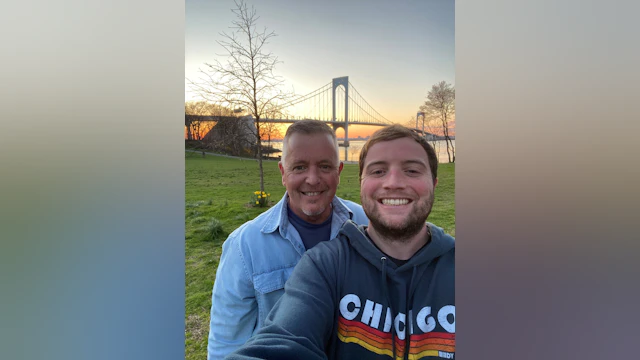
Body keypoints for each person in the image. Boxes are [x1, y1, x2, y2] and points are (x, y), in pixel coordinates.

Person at [226, 124, 455, 360]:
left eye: (412, 170)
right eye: (378, 171)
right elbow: (279, 340)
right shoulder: (323, 264)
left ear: (434, 182)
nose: (393, 183)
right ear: (361, 183)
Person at [207, 119, 369, 359]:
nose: (313, 179)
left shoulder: (366, 225)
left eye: (325, 166)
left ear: (339, 171)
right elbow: (226, 343)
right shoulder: (245, 246)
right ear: (283, 172)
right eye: (300, 167)